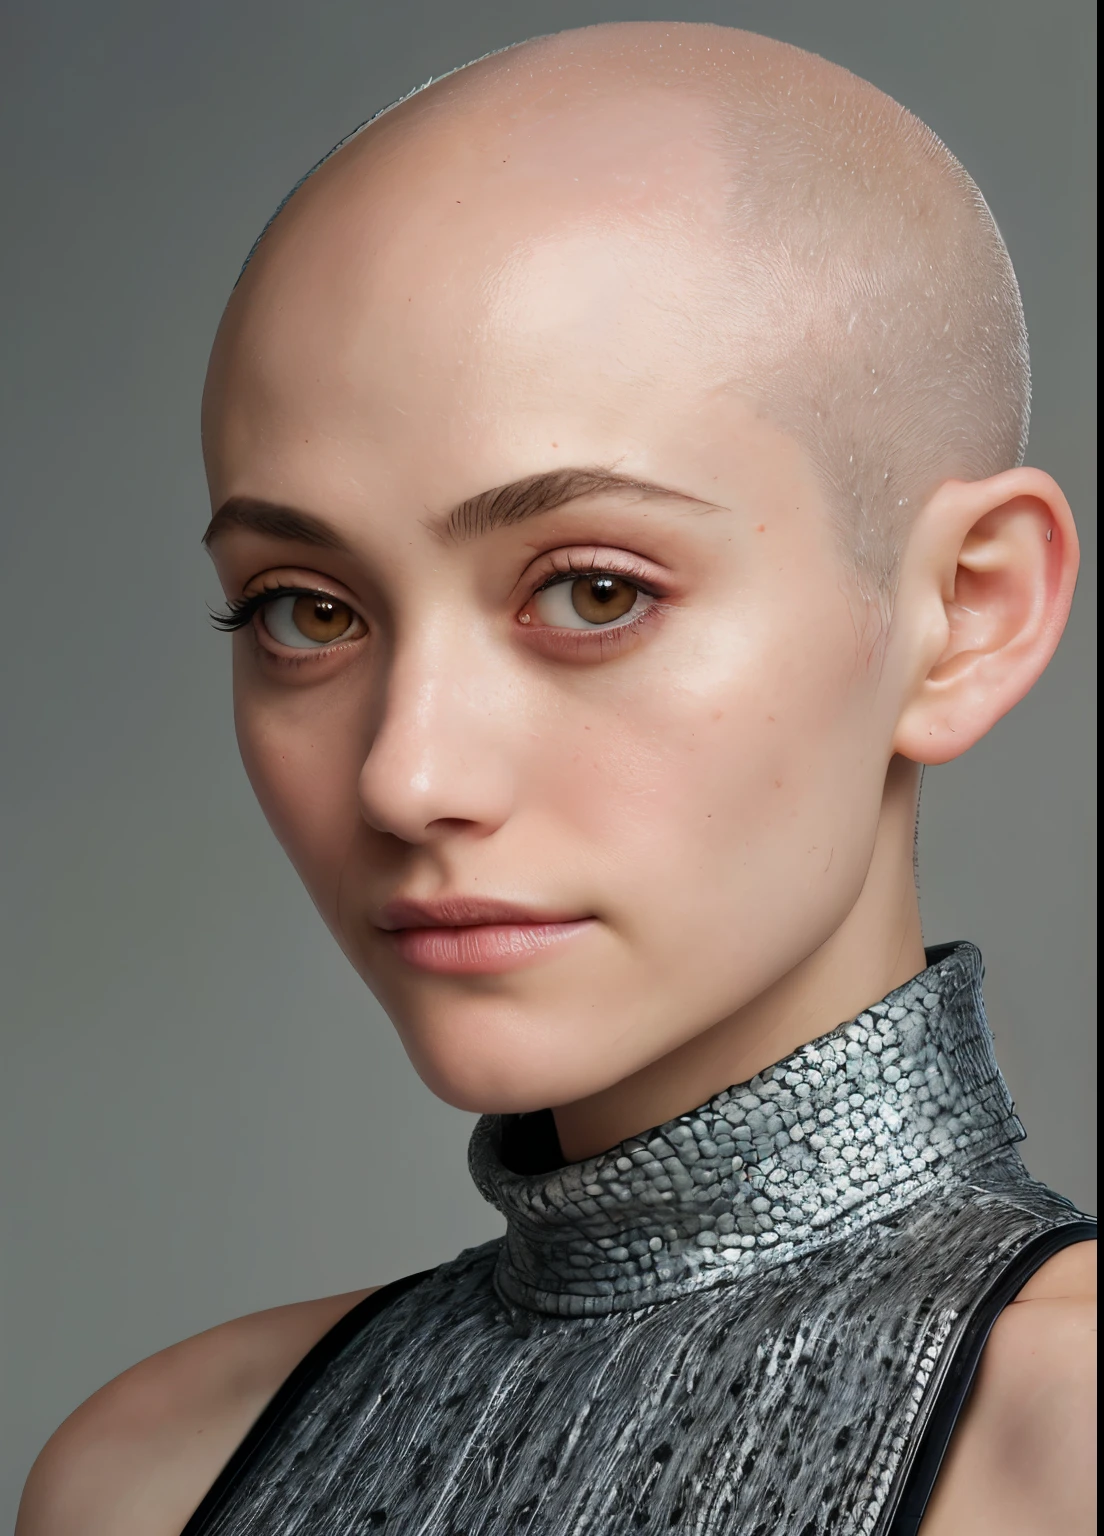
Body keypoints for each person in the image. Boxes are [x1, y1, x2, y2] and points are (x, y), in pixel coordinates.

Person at [17, 21, 1095, 1536]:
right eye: (305, 611)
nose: (408, 774)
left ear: (964, 617)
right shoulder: (148, 1475)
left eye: (591, 593)